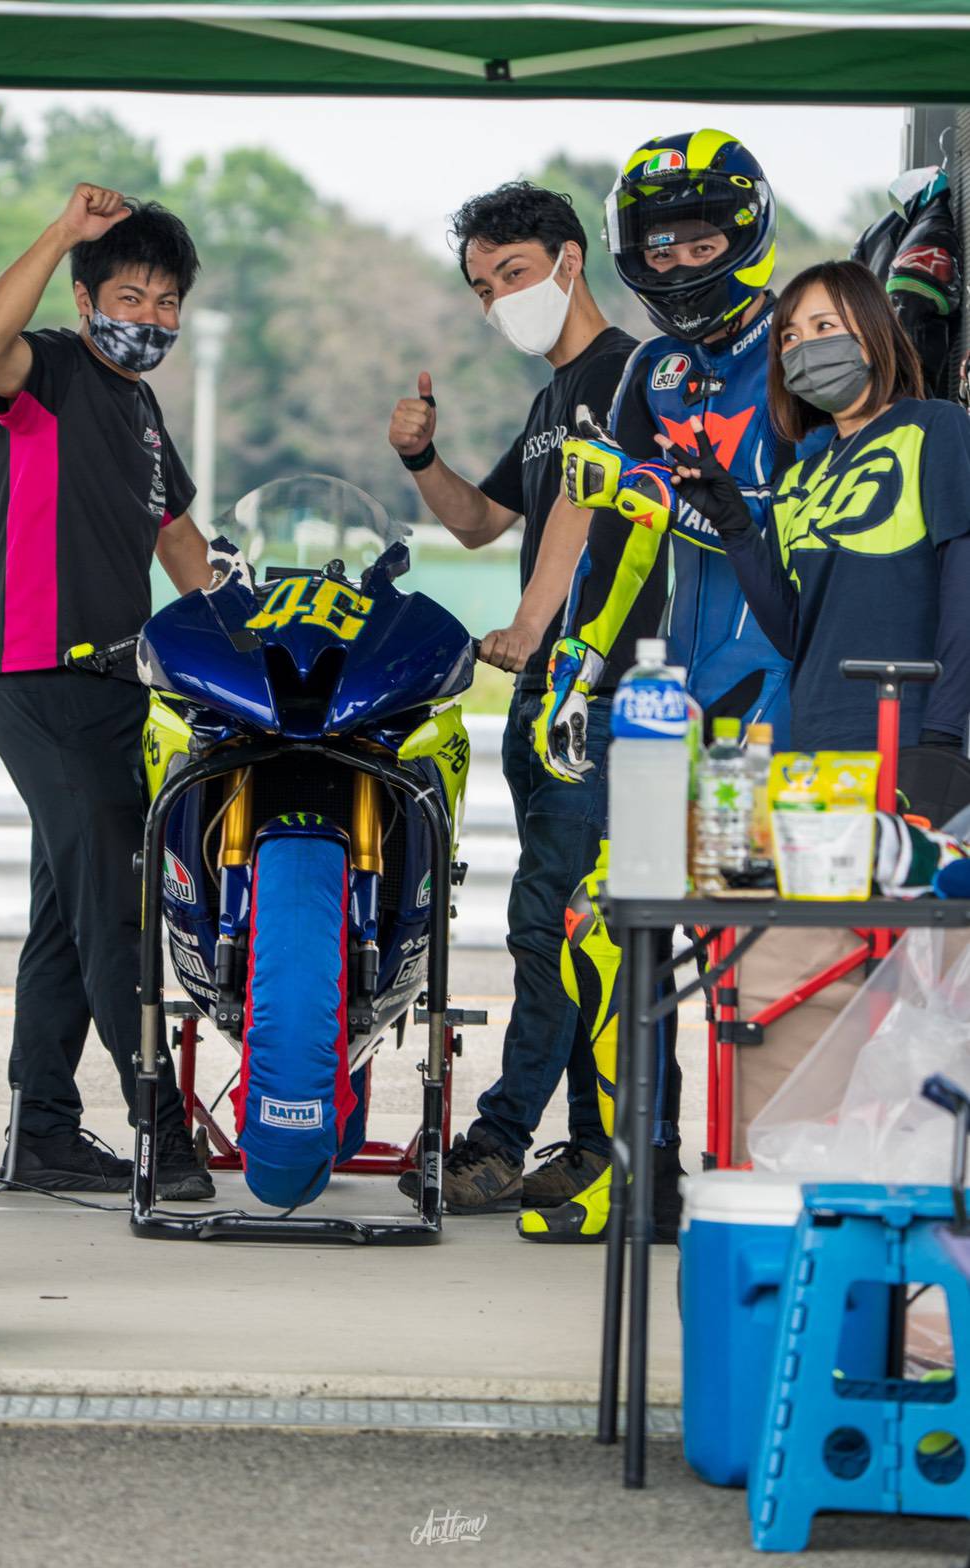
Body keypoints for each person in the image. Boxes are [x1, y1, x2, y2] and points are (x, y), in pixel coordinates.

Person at [520, 128, 789, 1243]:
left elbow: (807, 537)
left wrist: (665, 497)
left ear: (748, 232)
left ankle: (762, 1179)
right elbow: (617, 533)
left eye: (699, 239)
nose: (676, 262)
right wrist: (574, 664)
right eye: (657, 245)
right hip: (670, 698)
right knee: (604, 920)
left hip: (773, 697)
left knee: (748, 943)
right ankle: (640, 1172)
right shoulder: (652, 371)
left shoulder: (806, 347)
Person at [388, 183, 667, 1213]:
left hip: (601, 690)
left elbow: (587, 515)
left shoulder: (629, 374)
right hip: (547, 695)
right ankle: (599, 1146)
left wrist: (531, 625)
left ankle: (502, 1139)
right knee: (581, 928)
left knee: (551, 922)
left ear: (568, 261)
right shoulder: (553, 400)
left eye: (512, 274)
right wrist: (420, 457)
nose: (498, 300)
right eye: (481, 287)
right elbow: (479, 522)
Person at [0, 183, 217, 1199]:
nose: (149, 317)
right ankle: (163, 1132)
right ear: (84, 297)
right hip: (44, 678)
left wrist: (251, 633)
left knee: (66, 918)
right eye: (129, 296)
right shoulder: (52, 371)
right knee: (116, 910)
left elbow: (180, 538)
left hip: (118, 690)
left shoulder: (142, 412)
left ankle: (45, 1135)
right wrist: (66, 229)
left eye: (167, 302)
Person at [659, 258, 970, 752]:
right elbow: (792, 633)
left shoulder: (934, 426)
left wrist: (943, 734)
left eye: (824, 326)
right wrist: (733, 523)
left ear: (872, 332)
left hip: (910, 734)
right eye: (789, 337)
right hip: (814, 740)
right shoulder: (797, 481)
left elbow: (963, 586)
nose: (804, 346)